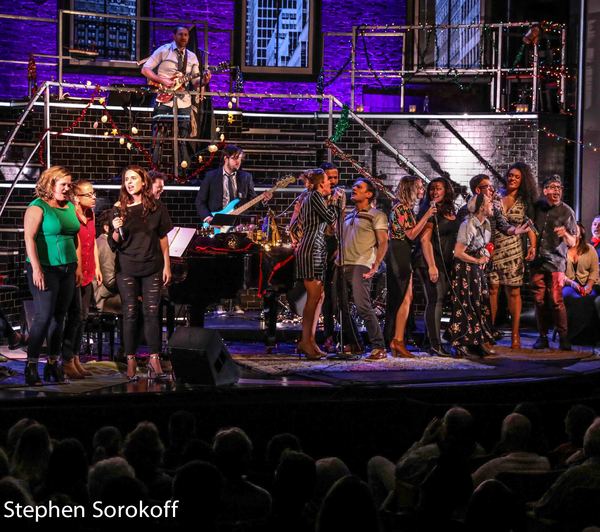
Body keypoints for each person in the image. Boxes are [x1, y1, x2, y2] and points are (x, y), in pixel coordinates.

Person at [109, 165, 173, 381]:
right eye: (126, 179)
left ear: (143, 182)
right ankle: (131, 359)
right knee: (130, 312)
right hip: (127, 267)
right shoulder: (119, 208)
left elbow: (163, 238)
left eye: (133, 178)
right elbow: (113, 244)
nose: (129, 182)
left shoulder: (157, 207)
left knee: (152, 311)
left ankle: (154, 358)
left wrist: (167, 265)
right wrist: (116, 228)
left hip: (152, 266)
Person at [23, 166, 80, 385]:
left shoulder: (69, 206)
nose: (67, 188)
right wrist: (36, 268)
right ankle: (31, 366)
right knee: (43, 316)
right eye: (63, 184)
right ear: (50, 185)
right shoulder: (37, 207)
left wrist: (77, 267)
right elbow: (29, 239)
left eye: (69, 184)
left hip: (67, 268)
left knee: (60, 317)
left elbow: (74, 238)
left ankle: (53, 364)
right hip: (45, 268)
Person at [141, 26, 211, 169]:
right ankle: (154, 170)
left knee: (182, 139)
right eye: (180, 34)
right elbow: (145, 69)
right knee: (159, 137)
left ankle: (183, 173)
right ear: (174, 36)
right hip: (164, 98)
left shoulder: (192, 56)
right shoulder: (163, 50)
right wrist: (163, 81)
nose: (184, 37)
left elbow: (195, 83)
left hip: (183, 101)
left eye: (186, 35)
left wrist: (205, 81)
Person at [384, 176, 436, 357]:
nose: (423, 191)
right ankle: (394, 339)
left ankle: (398, 339)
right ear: (410, 189)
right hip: (398, 251)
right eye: (420, 188)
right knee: (400, 297)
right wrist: (427, 216)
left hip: (404, 251)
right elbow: (412, 234)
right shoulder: (400, 208)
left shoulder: (406, 209)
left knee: (407, 297)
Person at [291, 169, 340, 360]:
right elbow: (331, 219)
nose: (331, 184)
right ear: (321, 184)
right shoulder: (315, 197)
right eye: (328, 181)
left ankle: (310, 341)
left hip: (316, 248)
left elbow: (297, 226)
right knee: (313, 296)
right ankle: (305, 341)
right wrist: (334, 204)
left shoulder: (312, 198)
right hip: (312, 249)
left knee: (319, 295)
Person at [488, 163, 538, 349]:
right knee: (492, 291)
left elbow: (530, 226)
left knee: (513, 292)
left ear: (523, 179)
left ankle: (515, 335)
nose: (512, 179)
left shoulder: (525, 201)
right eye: (510, 175)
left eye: (517, 176)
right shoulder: (496, 196)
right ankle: (489, 331)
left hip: (514, 251)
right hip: (494, 248)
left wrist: (532, 246)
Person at [339, 179, 389, 360]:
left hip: (362, 263)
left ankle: (379, 346)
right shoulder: (349, 215)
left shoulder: (377, 215)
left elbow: (383, 242)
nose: (354, 189)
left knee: (363, 306)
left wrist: (375, 265)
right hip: (343, 263)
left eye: (359, 187)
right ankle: (356, 343)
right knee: (340, 306)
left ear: (369, 194)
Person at [530, 175, 577, 350]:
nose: (556, 190)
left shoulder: (567, 212)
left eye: (559, 187)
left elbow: (572, 242)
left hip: (556, 262)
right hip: (537, 262)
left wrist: (564, 233)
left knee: (556, 300)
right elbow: (531, 230)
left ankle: (564, 337)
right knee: (539, 300)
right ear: (545, 190)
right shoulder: (538, 208)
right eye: (552, 187)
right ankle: (542, 337)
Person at [61, 180, 102, 379]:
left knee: (83, 316)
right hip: (73, 271)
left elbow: (92, 241)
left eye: (94, 193)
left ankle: (76, 357)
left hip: (88, 271)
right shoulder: (70, 213)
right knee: (74, 316)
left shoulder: (91, 214)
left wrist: (98, 267)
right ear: (77, 197)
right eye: (89, 194)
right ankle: (66, 359)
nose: (93, 197)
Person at [416, 177, 460, 356]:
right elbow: (425, 240)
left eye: (438, 188)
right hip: (428, 261)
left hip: (443, 262)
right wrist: (432, 266)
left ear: (446, 191)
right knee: (436, 300)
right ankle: (435, 344)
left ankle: (430, 340)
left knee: (439, 300)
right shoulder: (429, 210)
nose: (434, 192)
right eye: (432, 189)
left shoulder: (450, 210)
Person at [448, 193, 495, 357]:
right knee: (465, 304)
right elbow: (458, 253)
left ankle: (477, 341)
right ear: (482, 206)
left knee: (479, 303)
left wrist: (486, 256)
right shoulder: (467, 225)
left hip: (476, 268)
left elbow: (484, 246)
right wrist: (477, 260)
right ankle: (461, 342)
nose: (492, 205)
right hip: (465, 269)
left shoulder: (486, 224)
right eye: (489, 202)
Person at [195, 144, 261, 224]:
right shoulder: (211, 176)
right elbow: (200, 201)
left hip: (239, 223)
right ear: (226, 158)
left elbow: (254, 201)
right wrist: (208, 218)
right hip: (217, 222)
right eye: (235, 158)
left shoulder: (246, 177)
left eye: (240, 159)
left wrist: (263, 199)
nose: (238, 162)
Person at [319, 162, 346, 354]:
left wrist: (341, 246)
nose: (334, 181)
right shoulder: (313, 196)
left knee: (331, 293)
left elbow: (341, 220)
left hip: (332, 244)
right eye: (331, 178)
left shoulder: (341, 195)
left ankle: (331, 336)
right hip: (316, 244)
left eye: (336, 177)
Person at [562, 222, 600, 344]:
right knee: (571, 297)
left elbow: (595, 270)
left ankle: (587, 337)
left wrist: (589, 285)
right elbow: (559, 273)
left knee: (588, 298)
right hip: (568, 284)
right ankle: (572, 336)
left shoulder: (590, 249)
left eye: (575, 231)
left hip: (590, 283)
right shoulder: (561, 250)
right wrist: (573, 284)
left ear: (580, 234)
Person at [94, 210, 121, 314]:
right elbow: (110, 281)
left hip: (106, 293)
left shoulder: (101, 241)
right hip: (104, 297)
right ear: (106, 227)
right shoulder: (106, 245)